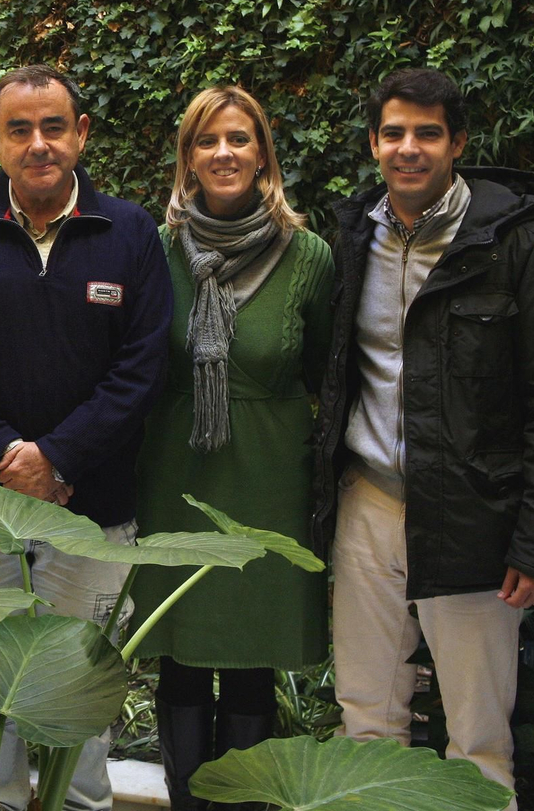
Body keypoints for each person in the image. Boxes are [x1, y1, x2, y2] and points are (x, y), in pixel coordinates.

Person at [0, 65, 173, 811]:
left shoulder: (131, 235)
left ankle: (80, 806)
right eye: (19, 129)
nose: (38, 144)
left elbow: (142, 370)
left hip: (94, 509)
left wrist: (58, 456)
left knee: (79, 694)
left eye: (54, 126)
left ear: (81, 133)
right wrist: (10, 456)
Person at [314, 68, 534, 809]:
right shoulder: (354, 235)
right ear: (373, 143)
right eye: (393, 132)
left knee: (478, 733)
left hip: (475, 513)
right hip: (368, 501)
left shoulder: (522, 246)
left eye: (428, 133)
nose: (409, 148)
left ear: (458, 142)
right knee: (367, 713)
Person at [127, 87, 332, 809]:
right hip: (176, 475)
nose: (224, 153)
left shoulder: (309, 257)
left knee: (250, 663)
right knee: (180, 659)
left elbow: (327, 379)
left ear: (263, 155)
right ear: (187, 157)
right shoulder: (155, 252)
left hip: (270, 477)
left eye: (240, 139)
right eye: (207, 141)